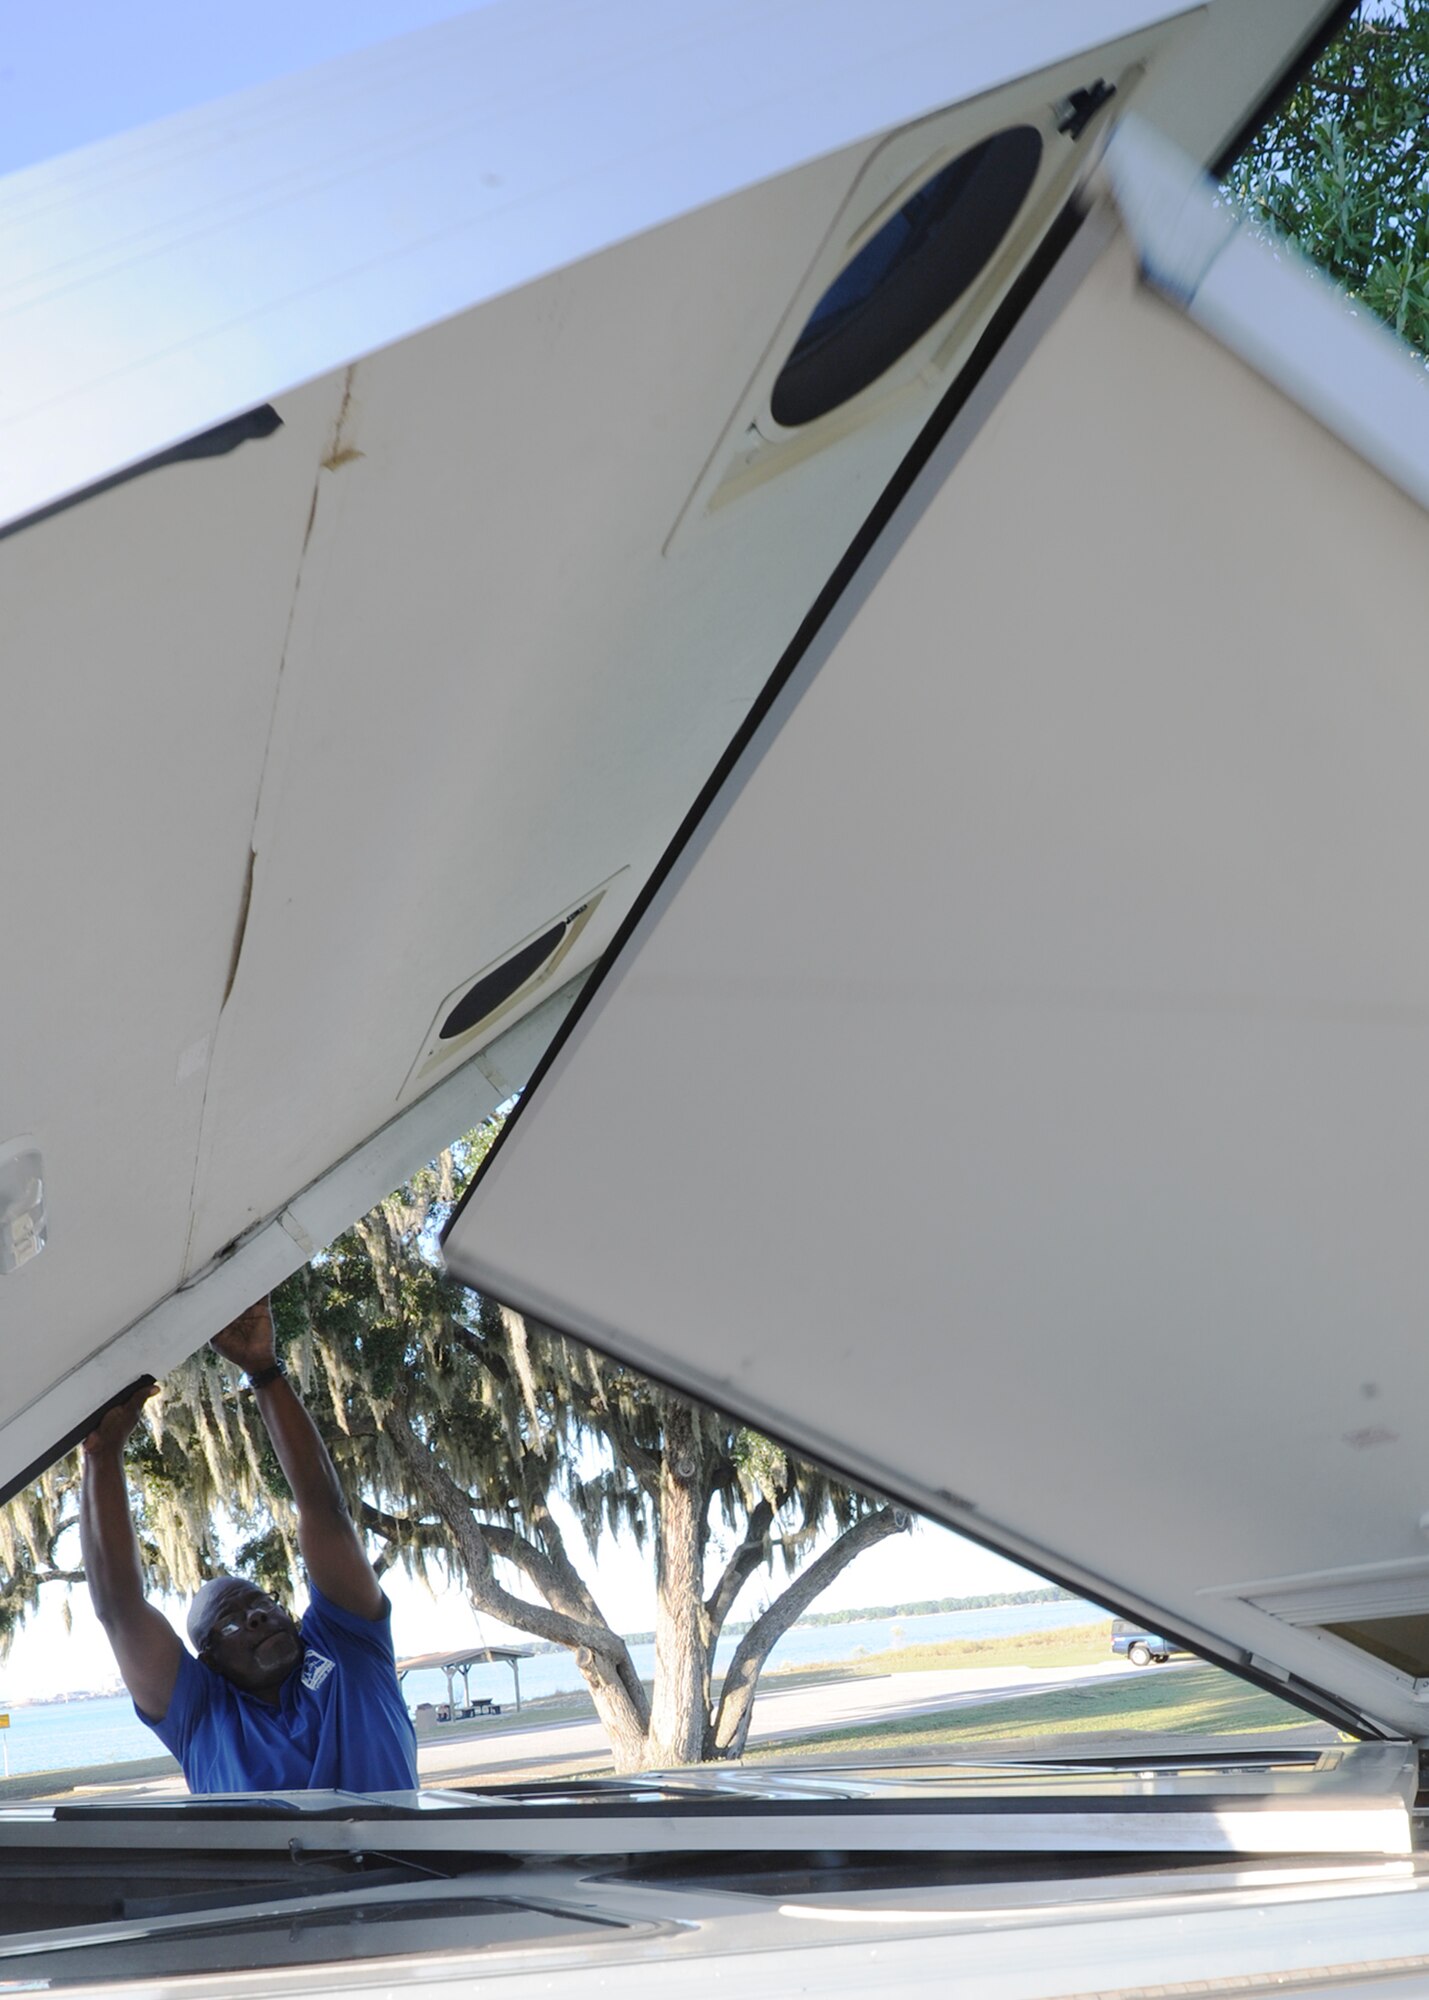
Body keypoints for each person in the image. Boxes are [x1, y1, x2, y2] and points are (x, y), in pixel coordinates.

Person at [80, 1298, 418, 1794]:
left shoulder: (348, 1648)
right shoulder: (200, 1715)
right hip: (272, 1876)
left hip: (410, 1869)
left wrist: (264, 1370)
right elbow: (119, 1609)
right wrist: (102, 1457)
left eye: (261, 1604)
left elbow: (324, 1510)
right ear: (210, 1661)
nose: (256, 1617)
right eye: (232, 1623)